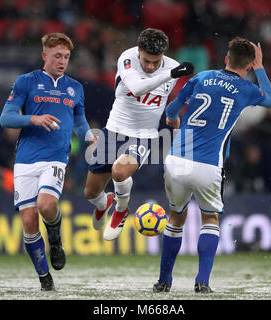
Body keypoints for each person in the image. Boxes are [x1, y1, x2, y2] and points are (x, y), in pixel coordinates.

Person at [154, 37, 271, 293]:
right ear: (249, 65)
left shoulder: (201, 77)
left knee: (176, 218)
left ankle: (164, 281)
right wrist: (261, 68)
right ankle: (202, 282)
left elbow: (173, 108)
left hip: (177, 161)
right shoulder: (246, 89)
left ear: (225, 59)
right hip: (209, 165)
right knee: (209, 219)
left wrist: (174, 119)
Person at [0, 33, 95, 291]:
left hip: (56, 156)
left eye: (66, 57)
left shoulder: (76, 87)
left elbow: (79, 120)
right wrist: (32, 119)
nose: (62, 61)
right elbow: (6, 118)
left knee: (46, 204)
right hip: (26, 159)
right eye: (57, 56)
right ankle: (44, 278)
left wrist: (88, 135)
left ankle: (55, 236)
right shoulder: (26, 82)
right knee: (29, 220)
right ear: (45, 56)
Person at [83, 28, 194, 240]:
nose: (151, 66)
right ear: (139, 51)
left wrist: (172, 113)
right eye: (146, 61)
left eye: (155, 62)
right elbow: (137, 88)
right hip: (114, 130)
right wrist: (169, 75)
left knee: (119, 172)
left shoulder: (172, 66)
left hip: (144, 135)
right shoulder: (127, 58)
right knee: (90, 193)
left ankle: (121, 210)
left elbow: (176, 97)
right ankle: (104, 203)